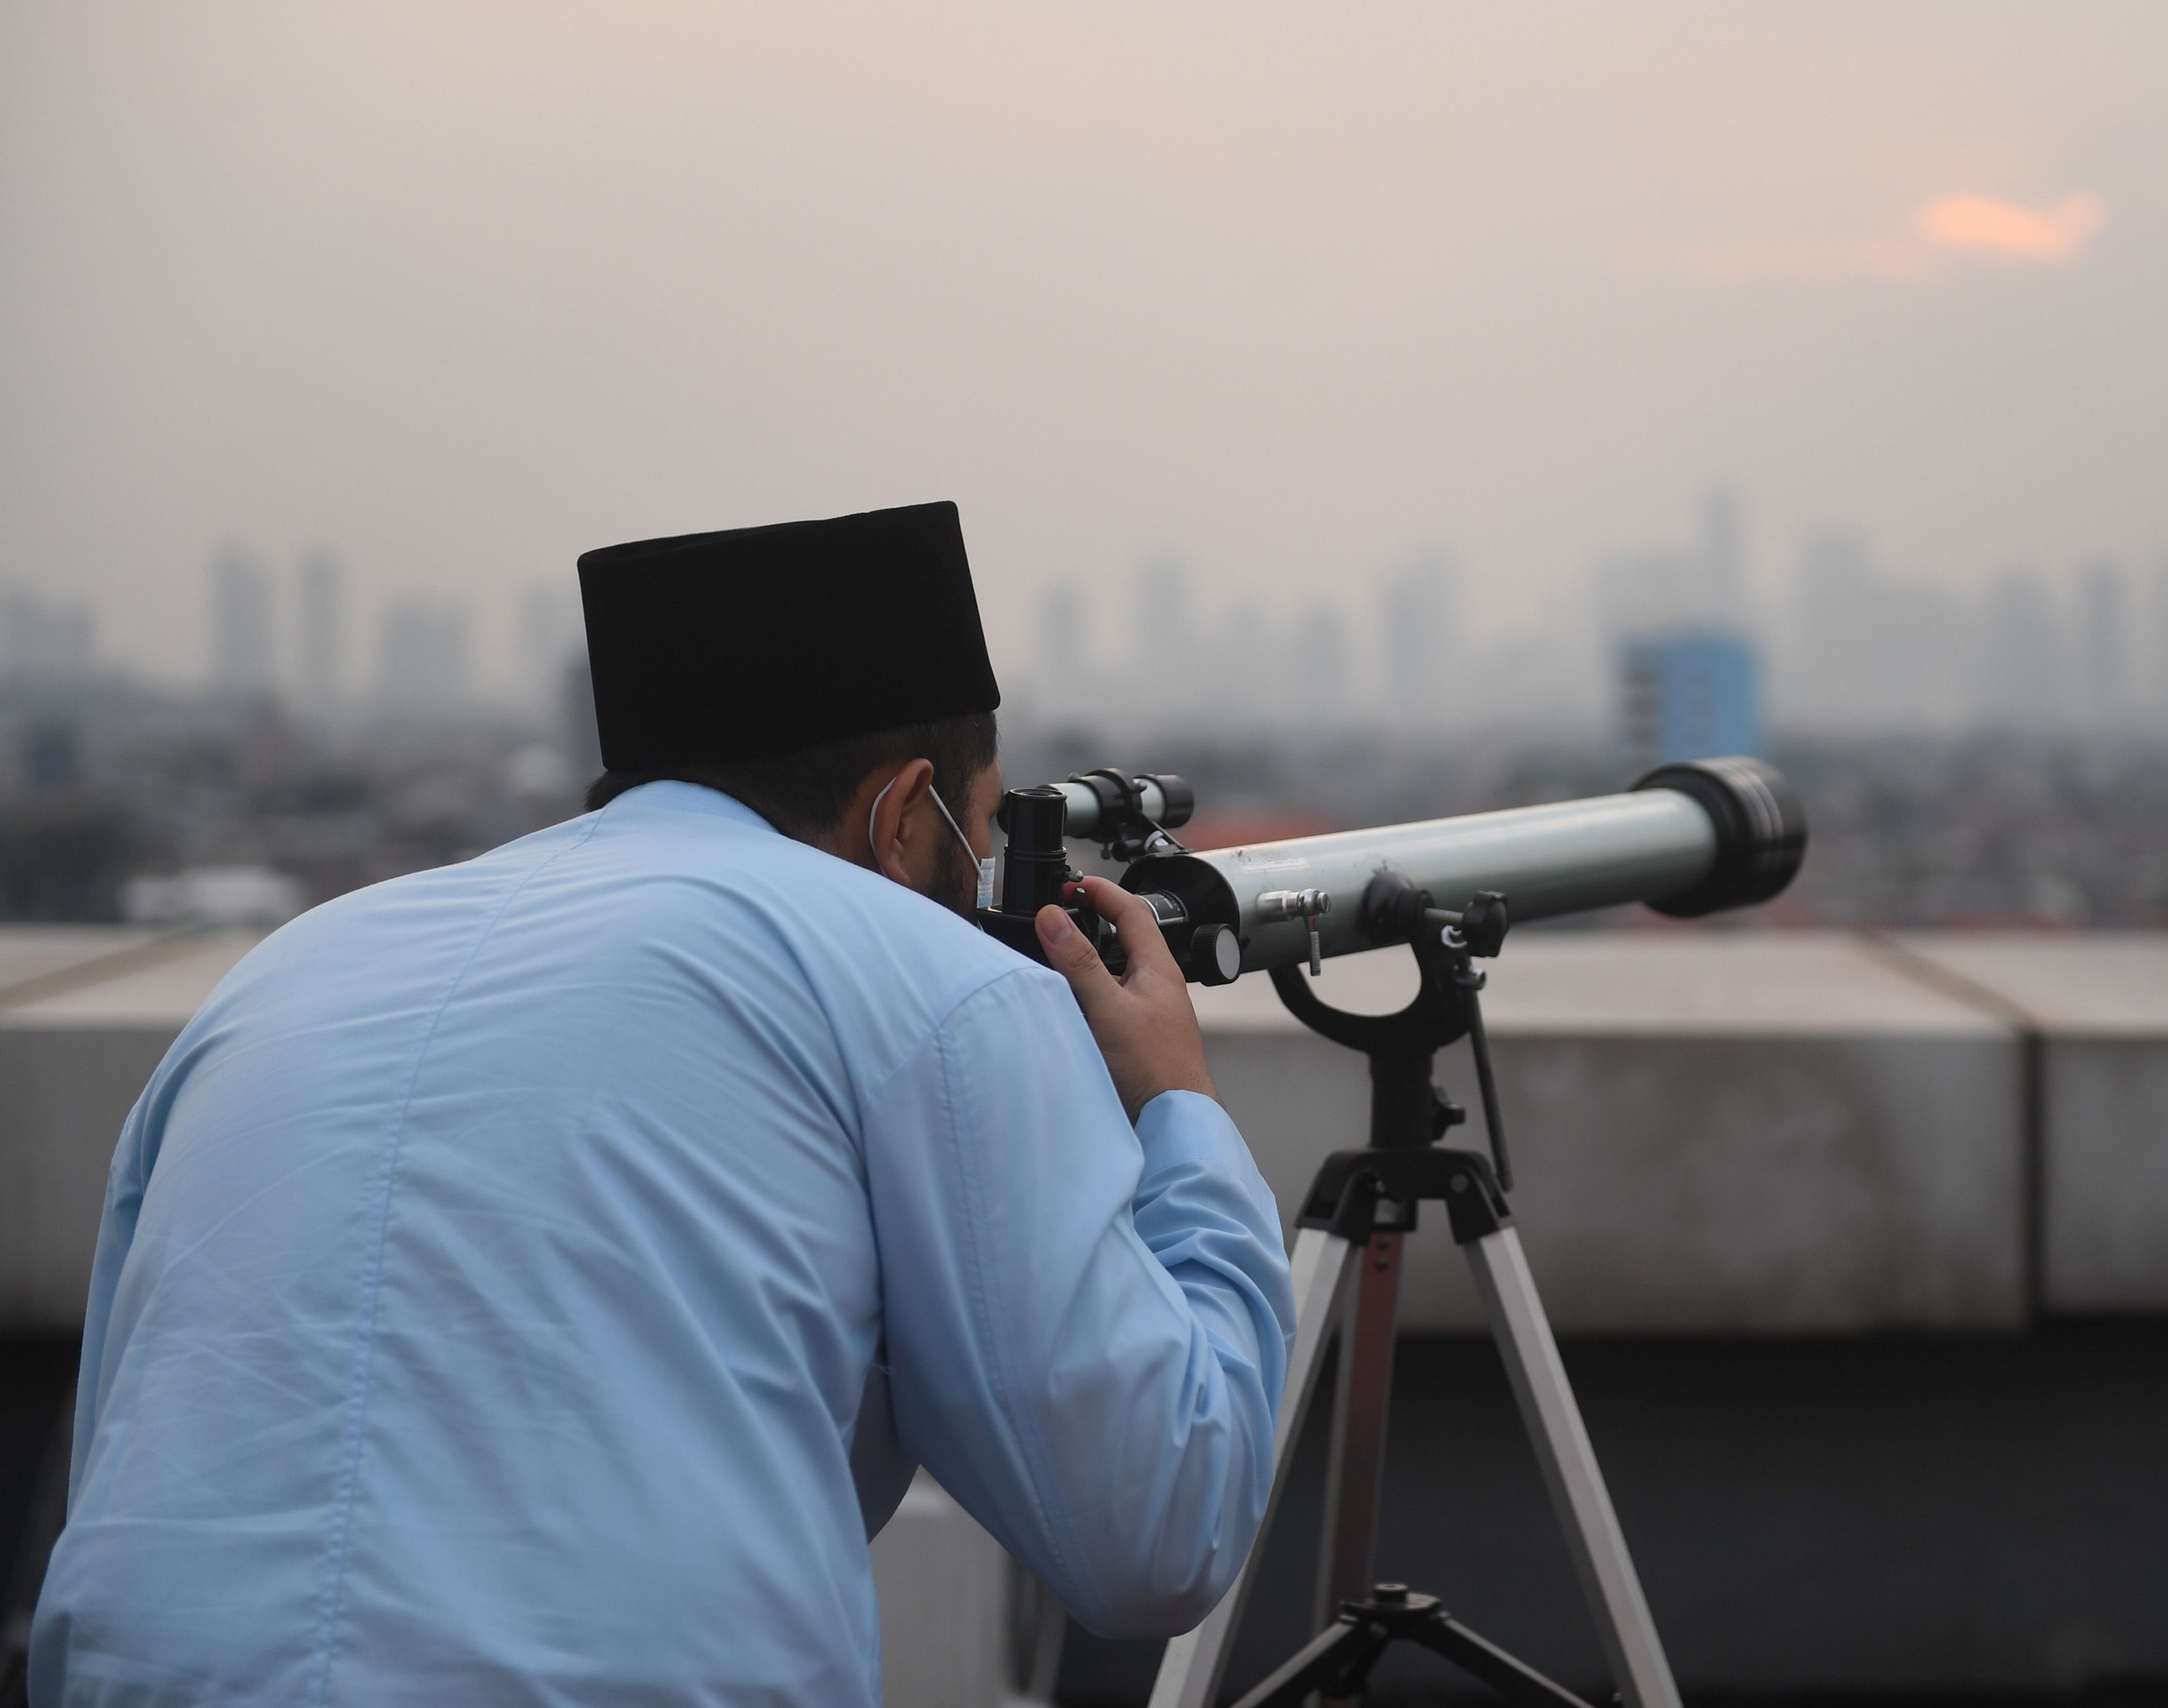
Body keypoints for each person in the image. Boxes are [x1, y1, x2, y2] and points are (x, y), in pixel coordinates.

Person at [29, 503, 1295, 1707]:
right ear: (904, 815)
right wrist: (1175, 1102)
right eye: (977, 835)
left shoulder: (277, 979)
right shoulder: (939, 982)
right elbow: (1158, 1529)